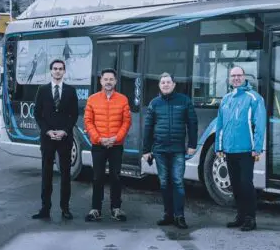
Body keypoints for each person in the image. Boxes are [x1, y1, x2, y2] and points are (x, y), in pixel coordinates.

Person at [142, 72, 198, 229]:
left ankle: (179, 216)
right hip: (159, 150)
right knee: (165, 182)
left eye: (168, 82)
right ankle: (168, 215)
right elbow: (148, 127)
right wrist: (146, 150)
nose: (165, 84)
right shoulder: (154, 103)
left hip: (177, 150)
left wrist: (192, 145)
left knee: (178, 182)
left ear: (174, 84)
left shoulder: (184, 101)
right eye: (163, 82)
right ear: (159, 85)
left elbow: (192, 123)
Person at [215, 66, 267, 232]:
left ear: (244, 77)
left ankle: (250, 218)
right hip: (229, 149)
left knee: (246, 184)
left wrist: (257, 147)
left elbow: (260, 124)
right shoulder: (226, 99)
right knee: (235, 185)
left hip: (246, 149)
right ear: (230, 79)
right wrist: (219, 146)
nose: (236, 78)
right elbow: (220, 125)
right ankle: (240, 216)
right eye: (233, 76)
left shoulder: (254, 98)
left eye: (239, 75)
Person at [31, 59, 79, 220]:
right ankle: (45, 208)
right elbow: (37, 114)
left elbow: (74, 115)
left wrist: (65, 131)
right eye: (55, 69)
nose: (57, 71)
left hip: (65, 138)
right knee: (47, 174)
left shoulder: (71, 91)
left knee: (65, 174)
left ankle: (65, 208)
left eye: (60, 69)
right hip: (48, 138)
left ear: (64, 71)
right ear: (51, 71)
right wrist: (47, 131)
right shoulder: (42, 90)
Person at [83, 68, 132, 222]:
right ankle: (95, 209)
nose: (108, 82)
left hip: (116, 145)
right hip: (98, 145)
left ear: (116, 81)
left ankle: (116, 208)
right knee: (97, 177)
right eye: (106, 79)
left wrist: (116, 138)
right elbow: (88, 121)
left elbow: (127, 122)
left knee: (116, 177)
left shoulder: (123, 99)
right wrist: (99, 138)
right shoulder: (92, 99)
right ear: (101, 81)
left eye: (111, 79)